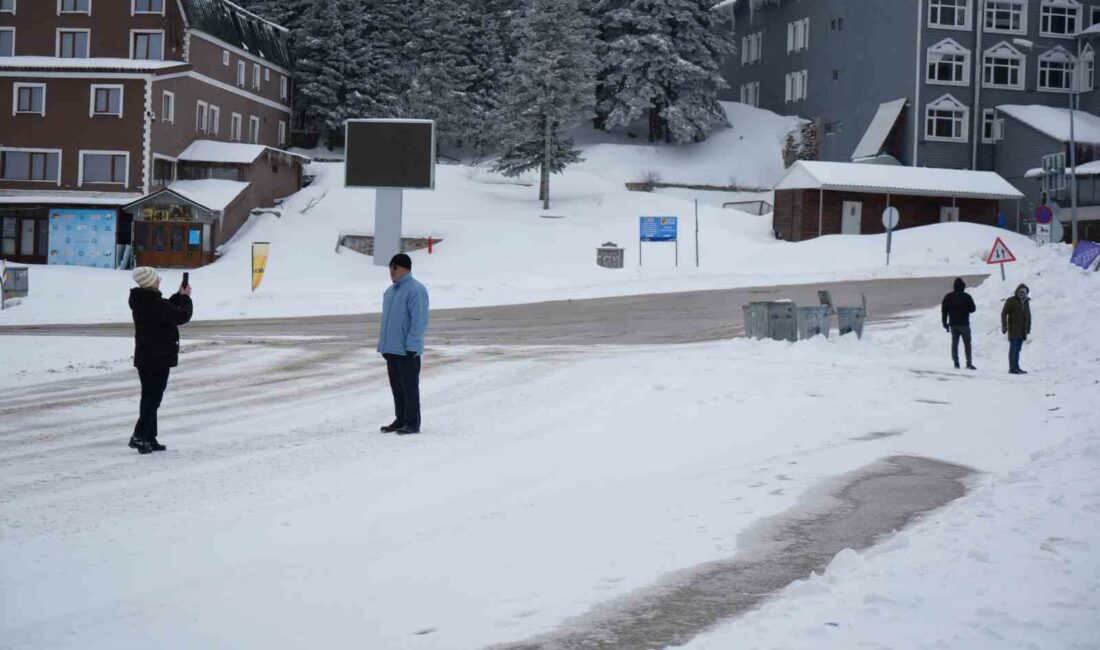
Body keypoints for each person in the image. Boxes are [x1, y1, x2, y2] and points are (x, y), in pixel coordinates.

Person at [128, 267, 193, 453]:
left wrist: (178, 295)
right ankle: (139, 435)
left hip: (145, 356)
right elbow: (181, 315)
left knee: (148, 397)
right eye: (156, 278)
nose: (159, 280)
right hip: (159, 357)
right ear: (150, 282)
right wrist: (186, 298)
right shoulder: (156, 304)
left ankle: (149, 437)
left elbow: (166, 309)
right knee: (153, 398)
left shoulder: (142, 300)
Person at [377, 253, 429, 435]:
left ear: (405, 268)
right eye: (390, 267)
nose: (391, 271)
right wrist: (383, 346)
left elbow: (419, 320)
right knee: (397, 388)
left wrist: (412, 346)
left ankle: (412, 423)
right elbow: (387, 322)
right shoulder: (390, 292)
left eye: (395, 267)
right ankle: (400, 420)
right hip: (392, 349)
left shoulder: (416, 290)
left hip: (407, 350)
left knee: (409, 388)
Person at [941, 277, 977, 370]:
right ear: (963, 287)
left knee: (954, 343)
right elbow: (973, 309)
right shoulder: (967, 296)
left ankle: (956, 363)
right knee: (967, 344)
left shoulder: (948, 297)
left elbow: (944, 311)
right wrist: (965, 309)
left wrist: (944, 323)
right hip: (964, 323)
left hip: (953, 324)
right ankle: (969, 363)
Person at [1001, 283, 1032, 375]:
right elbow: (1004, 313)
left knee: (1018, 350)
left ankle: (1016, 367)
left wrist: (1028, 327)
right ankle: (1012, 368)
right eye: (1020, 292)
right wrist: (1004, 326)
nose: (1022, 294)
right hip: (1013, 329)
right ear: (1017, 292)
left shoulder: (1026, 302)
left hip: (1022, 330)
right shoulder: (1011, 301)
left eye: (1024, 292)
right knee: (1013, 349)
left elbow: (1028, 315)